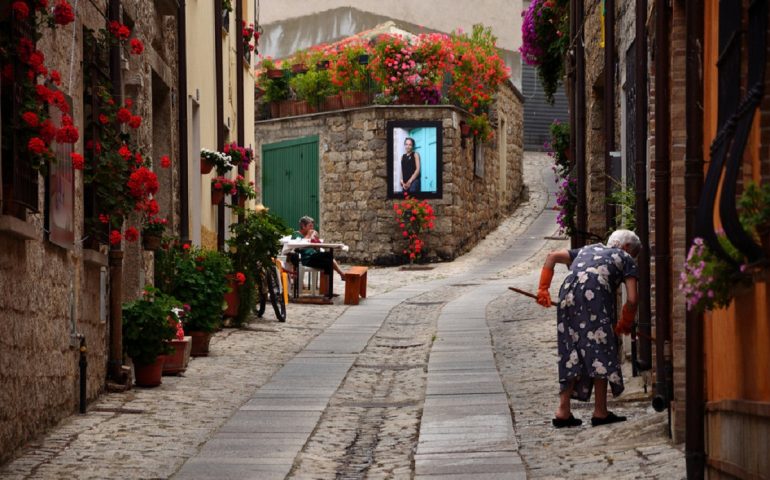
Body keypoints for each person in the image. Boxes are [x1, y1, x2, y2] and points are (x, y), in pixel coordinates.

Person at [536, 229, 640, 428]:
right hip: (596, 299)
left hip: (568, 297)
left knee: (572, 349)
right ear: (627, 248)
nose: (632, 258)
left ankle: (563, 411)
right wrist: (626, 321)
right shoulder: (625, 257)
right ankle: (600, 411)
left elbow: (552, 257)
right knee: (601, 348)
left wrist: (543, 288)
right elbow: (633, 298)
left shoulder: (587, 250)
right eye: (634, 254)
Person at [289, 216, 346, 283]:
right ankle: (341, 274)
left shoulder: (310, 236)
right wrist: (309, 235)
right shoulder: (296, 234)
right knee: (328, 257)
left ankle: (327, 290)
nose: (312, 228)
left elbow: (317, 248)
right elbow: (299, 246)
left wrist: (316, 241)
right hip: (306, 259)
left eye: (312, 226)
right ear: (303, 226)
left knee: (328, 260)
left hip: (314, 256)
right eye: (310, 226)